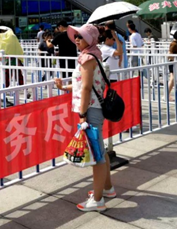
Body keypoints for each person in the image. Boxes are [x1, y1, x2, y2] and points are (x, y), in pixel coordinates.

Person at [54, 24, 115, 212]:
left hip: (90, 110)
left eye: (80, 36)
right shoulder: (94, 55)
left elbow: (87, 88)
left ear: (90, 39)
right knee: (100, 150)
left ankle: (97, 200)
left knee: (97, 155)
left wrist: (82, 115)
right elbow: (84, 84)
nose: (77, 40)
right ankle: (107, 188)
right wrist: (64, 87)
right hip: (94, 108)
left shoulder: (88, 58)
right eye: (76, 36)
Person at [0, 26, 25, 103]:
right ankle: (25, 91)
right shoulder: (13, 37)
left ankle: (3, 95)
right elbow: (18, 48)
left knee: (6, 78)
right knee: (18, 76)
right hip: (14, 60)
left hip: (6, 61)